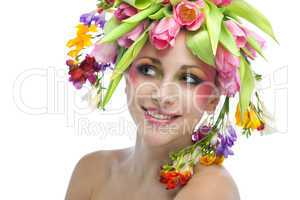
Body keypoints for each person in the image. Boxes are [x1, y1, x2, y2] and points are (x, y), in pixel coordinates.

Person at [64, 0, 277, 199]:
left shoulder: (212, 189)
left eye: (189, 78)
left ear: (213, 99)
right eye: (147, 69)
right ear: (125, 77)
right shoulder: (91, 171)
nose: (163, 95)